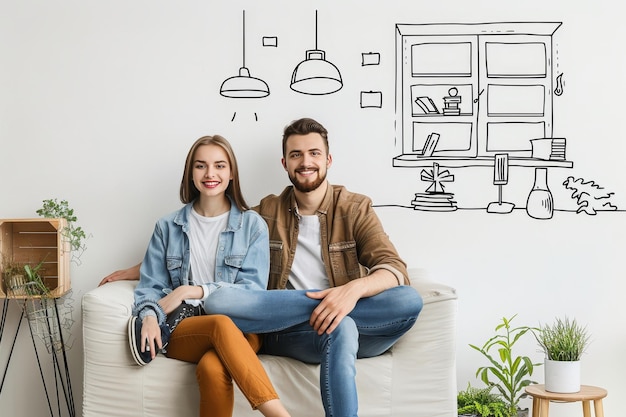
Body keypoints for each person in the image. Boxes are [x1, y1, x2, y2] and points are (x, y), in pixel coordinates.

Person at [101, 118, 423, 417]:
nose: (305, 161)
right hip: (283, 327)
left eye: (314, 153)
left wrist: (348, 294)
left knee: (404, 301)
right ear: (285, 163)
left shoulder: (354, 208)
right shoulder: (267, 212)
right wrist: (141, 270)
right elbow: (202, 238)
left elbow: (392, 267)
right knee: (221, 301)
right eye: (296, 154)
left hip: (341, 316)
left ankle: (333, 306)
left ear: (328, 159)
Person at [126, 135, 290, 417]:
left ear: (231, 173)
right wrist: (150, 317)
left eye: (219, 166)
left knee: (212, 368)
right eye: (201, 166)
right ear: (191, 173)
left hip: (242, 329)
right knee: (217, 324)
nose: (210, 174)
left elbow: (251, 292)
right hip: (185, 329)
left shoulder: (252, 226)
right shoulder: (167, 226)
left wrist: (193, 290)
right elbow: (150, 286)